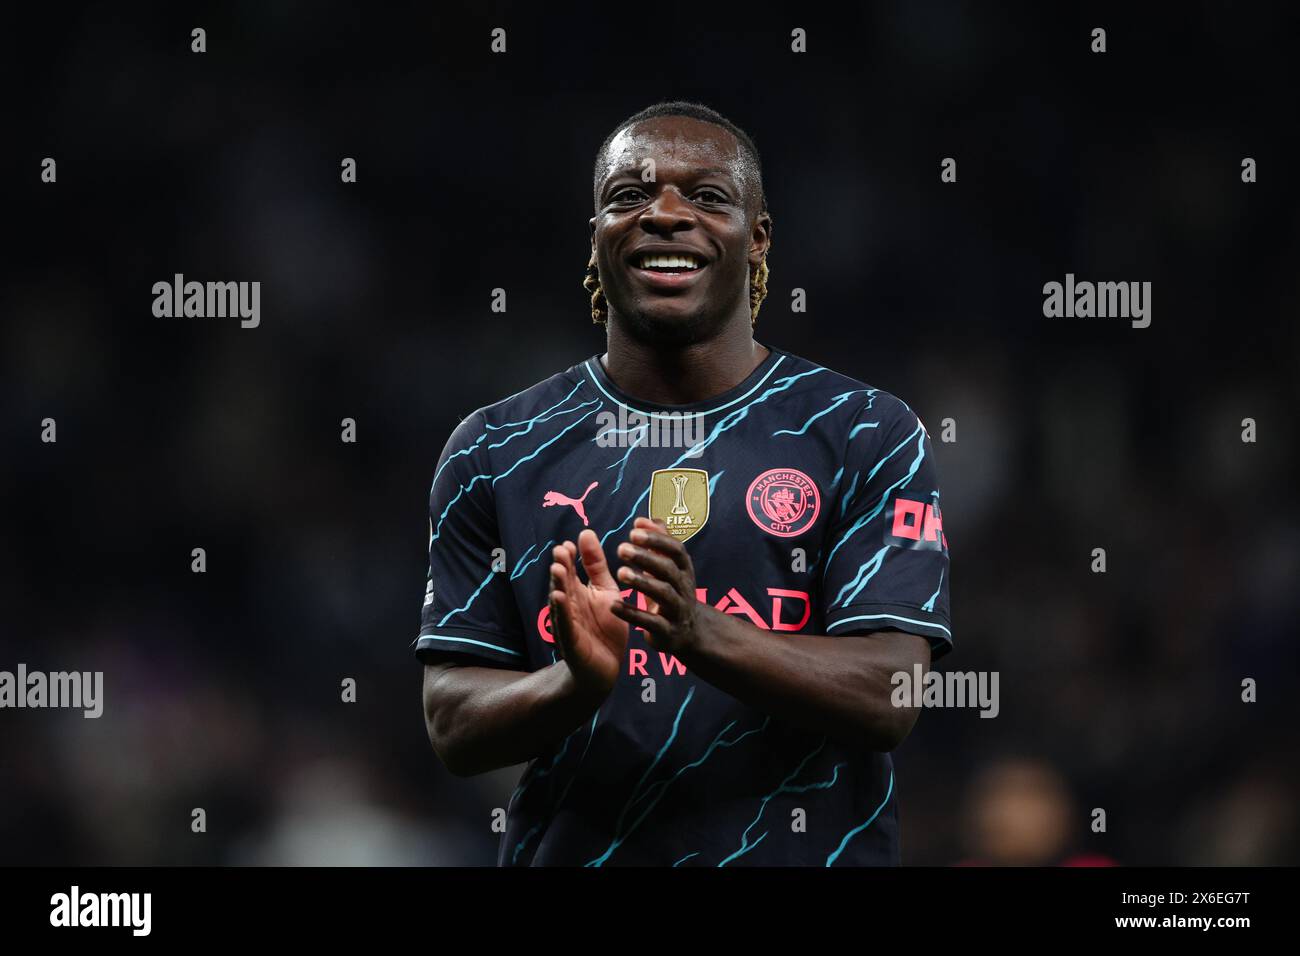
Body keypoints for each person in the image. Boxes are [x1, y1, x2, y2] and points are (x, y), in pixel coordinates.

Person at [417, 101, 953, 866]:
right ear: (597, 234)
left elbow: (892, 695)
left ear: (757, 237)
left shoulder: (864, 429)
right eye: (629, 196)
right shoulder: (495, 447)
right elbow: (452, 724)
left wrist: (698, 631)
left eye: (707, 196)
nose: (665, 214)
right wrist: (574, 685)